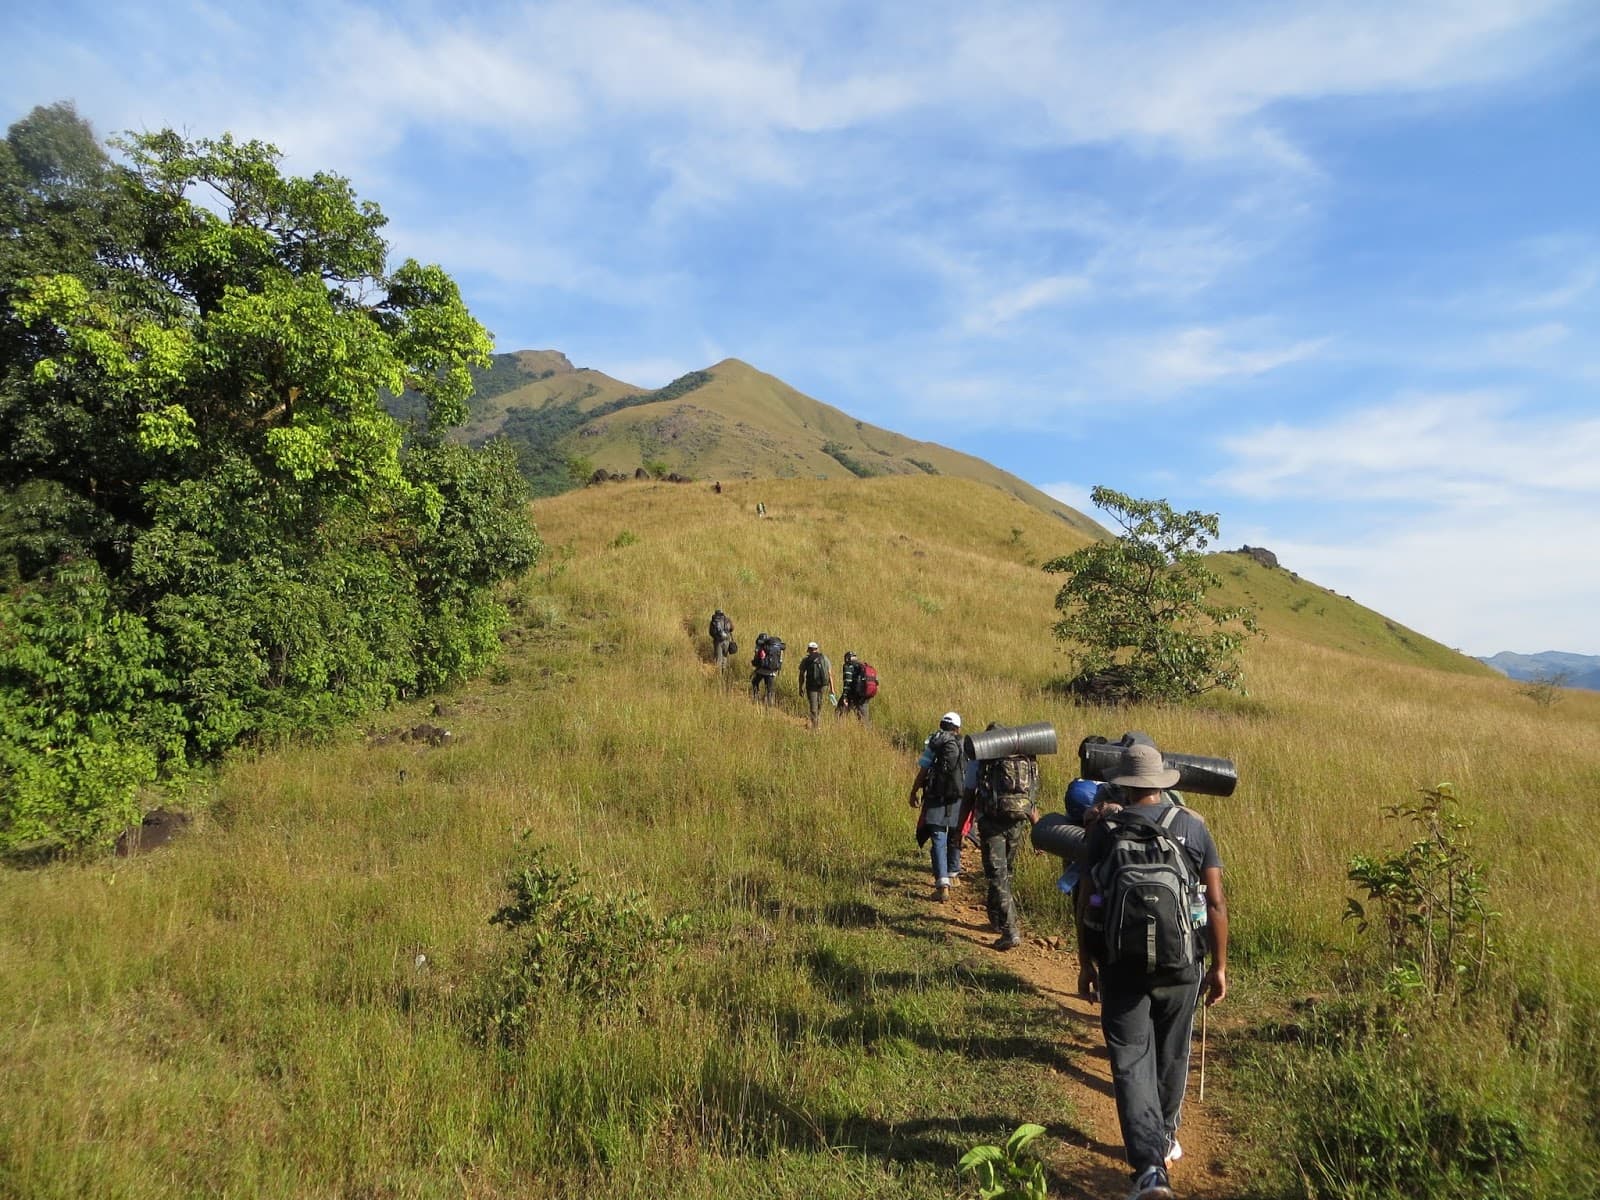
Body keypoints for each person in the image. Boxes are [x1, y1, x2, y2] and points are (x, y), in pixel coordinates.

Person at [1080, 742, 1228, 1200]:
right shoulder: (1193, 826)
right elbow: (1216, 901)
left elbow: (1087, 899)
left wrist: (1086, 963)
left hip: (1120, 965)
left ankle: (1148, 1170)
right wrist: (1219, 966)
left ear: (1124, 785)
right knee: (1172, 1055)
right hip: (1182, 964)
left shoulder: (1105, 829)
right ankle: (1164, 1139)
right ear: (1162, 784)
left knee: (1130, 1062)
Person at [975, 725, 1041, 951]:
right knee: (1006, 872)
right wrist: (1037, 831)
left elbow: (970, 793)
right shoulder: (1027, 759)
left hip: (992, 822)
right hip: (1017, 821)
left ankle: (1010, 930)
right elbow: (1030, 798)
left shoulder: (986, 758)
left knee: (997, 875)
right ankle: (997, 919)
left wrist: (959, 829)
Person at [908, 712, 967, 901]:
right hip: (958, 796)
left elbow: (924, 769)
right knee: (955, 833)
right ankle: (953, 873)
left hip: (935, 795)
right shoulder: (964, 744)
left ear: (941, 725)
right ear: (958, 728)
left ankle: (942, 884)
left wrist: (914, 791)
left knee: (938, 836)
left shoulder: (935, 743)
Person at [796, 641, 834, 729]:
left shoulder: (806, 660)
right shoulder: (825, 658)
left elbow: (801, 674)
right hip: (823, 685)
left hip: (811, 686)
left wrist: (800, 687)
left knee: (813, 706)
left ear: (808, 650)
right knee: (819, 704)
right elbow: (830, 674)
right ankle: (817, 723)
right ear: (817, 649)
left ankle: (815, 726)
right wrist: (832, 689)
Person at [837, 651, 873, 723]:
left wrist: (845, 696)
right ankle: (867, 732)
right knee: (864, 718)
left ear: (847, 658)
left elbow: (847, 682)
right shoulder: (861, 666)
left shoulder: (847, 666)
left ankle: (838, 729)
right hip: (865, 694)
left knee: (839, 713)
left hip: (853, 694)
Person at [750, 632, 783, 705]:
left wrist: (754, 666)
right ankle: (770, 703)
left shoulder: (762, 648)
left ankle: (755, 699)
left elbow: (758, 660)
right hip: (772, 672)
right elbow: (780, 660)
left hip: (761, 670)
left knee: (754, 682)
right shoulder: (777, 648)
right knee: (769, 688)